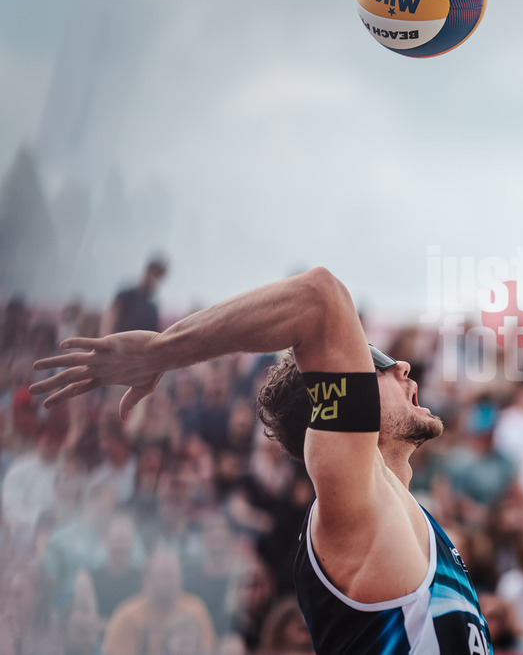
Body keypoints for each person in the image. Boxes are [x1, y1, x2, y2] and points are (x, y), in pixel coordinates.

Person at [30, 266, 493, 654]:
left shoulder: (408, 517)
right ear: (332, 407)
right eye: (376, 359)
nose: (402, 366)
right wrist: (159, 353)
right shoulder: (353, 494)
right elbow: (318, 297)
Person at [103, 256, 168, 335]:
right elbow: (110, 318)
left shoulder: (152, 308)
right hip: (119, 343)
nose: (155, 281)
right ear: (147, 272)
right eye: (154, 274)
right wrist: (105, 341)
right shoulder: (126, 295)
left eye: (158, 277)